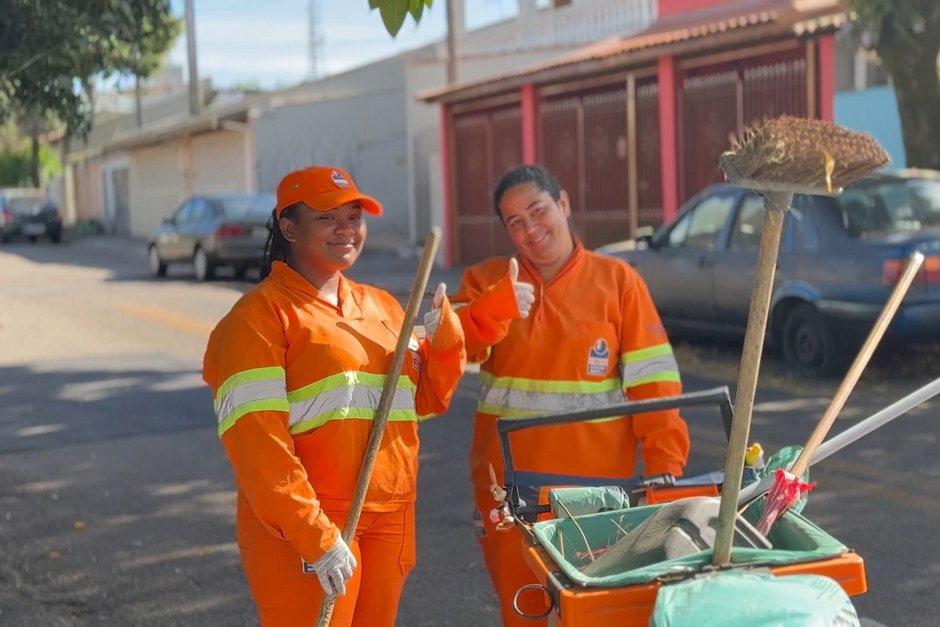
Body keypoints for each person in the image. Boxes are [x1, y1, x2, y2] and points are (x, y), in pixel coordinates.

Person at [202, 166, 467, 627]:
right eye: (327, 217)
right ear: (288, 227)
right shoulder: (256, 320)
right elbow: (258, 447)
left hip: (390, 515)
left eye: (354, 216)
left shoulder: (383, 307)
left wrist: (445, 341)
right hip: (310, 527)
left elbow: (422, 402)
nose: (346, 229)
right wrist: (315, 536)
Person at [451, 164, 690, 626]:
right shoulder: (485, 282)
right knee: (523, 613)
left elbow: (655, 387)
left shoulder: (619, 282)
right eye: (514, 221)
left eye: (537, 210)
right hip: (509, 497)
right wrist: (491, 309)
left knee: (594, 616)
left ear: (563, 204)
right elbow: (448, 347)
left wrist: (665, 471)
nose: (529, 228)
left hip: (598, 500)